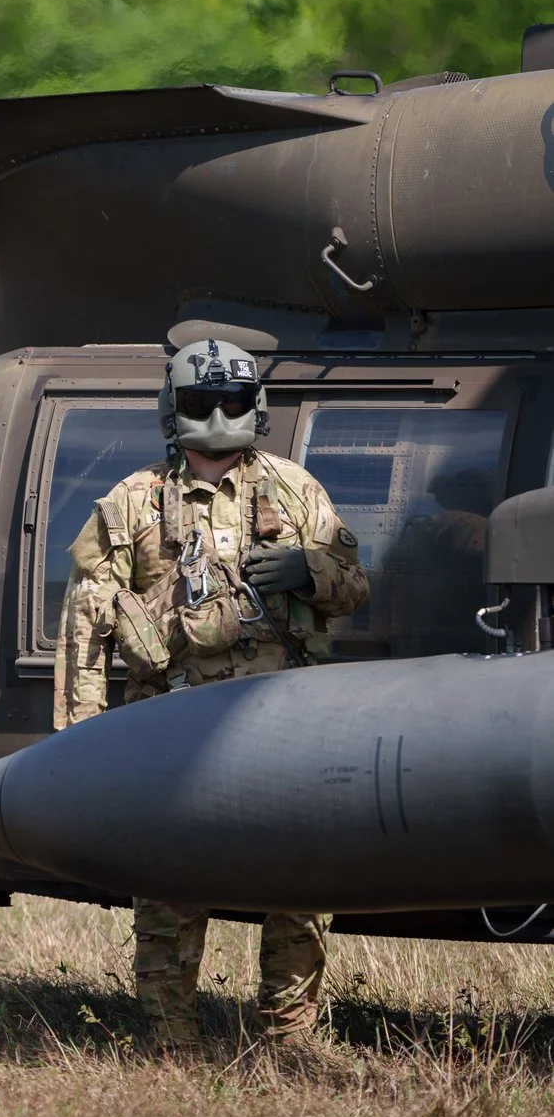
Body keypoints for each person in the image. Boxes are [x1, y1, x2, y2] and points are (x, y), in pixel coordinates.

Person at [55, 326, 368, 1057]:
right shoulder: (132, 504)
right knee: (168, 889)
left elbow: (355, 584)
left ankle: (290, 1036)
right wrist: (80, 744)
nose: (221, 416)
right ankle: (171, 1041)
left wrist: (307, 571)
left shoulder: (294, 489)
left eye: (234, 400)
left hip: (281, 723)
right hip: (174, 727)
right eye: (206, 401)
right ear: (175, 406)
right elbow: (84, 626)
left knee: (301, 881)